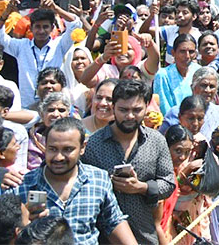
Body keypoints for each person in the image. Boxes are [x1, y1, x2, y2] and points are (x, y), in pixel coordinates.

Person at [81, 79, 176, 245]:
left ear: (147, 106)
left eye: (137, 110)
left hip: (144, 234)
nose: (130, 116)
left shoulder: (156, 141)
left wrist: (141, 187)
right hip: (103, 238)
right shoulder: (94, 144)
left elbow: (168, 183)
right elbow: (82, 187)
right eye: (123, 110)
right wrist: (107, 185)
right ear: (113, 107)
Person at [13, 117, 135, 245]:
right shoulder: (23, 185)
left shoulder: (98, 180)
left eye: (67, 149)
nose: (58, 157)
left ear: (82, 148)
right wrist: (24, 222)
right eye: (53, 149)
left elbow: (113, 222)